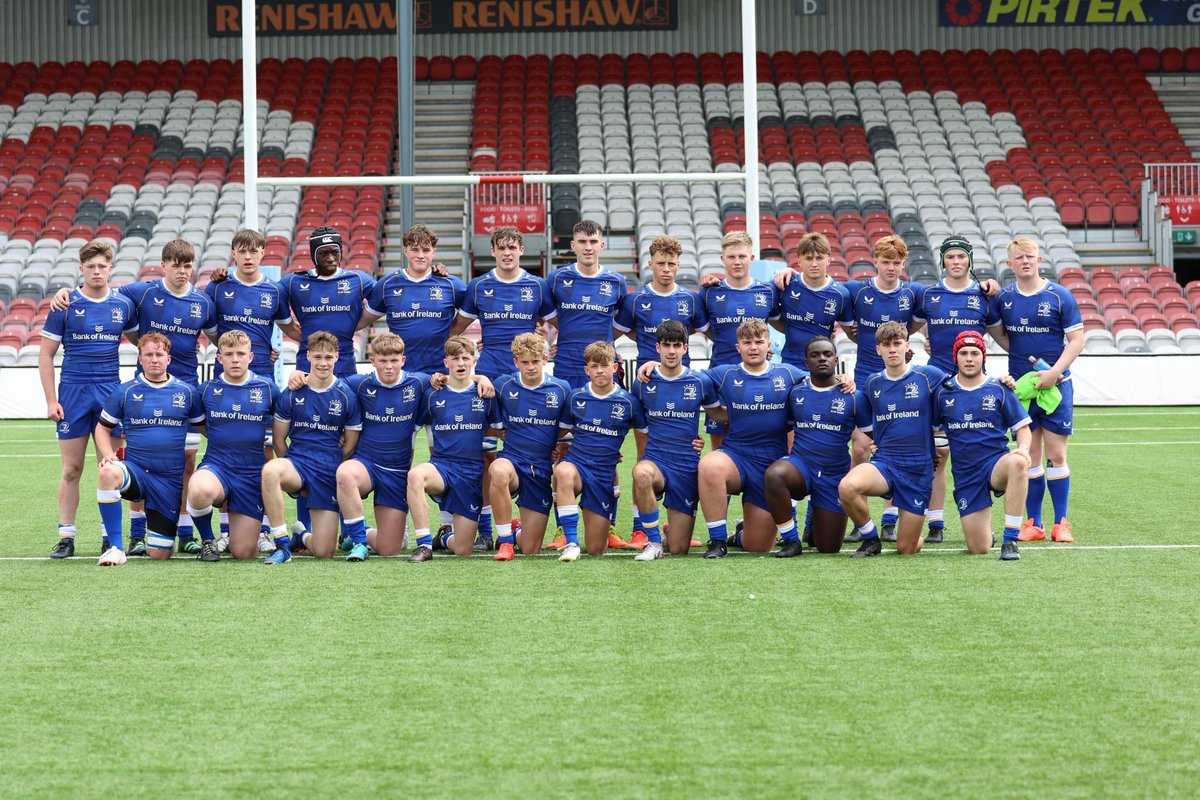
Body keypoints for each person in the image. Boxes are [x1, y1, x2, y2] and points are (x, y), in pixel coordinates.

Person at [53, 238, 216, 553]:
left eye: (187, 265)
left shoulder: (203, 301)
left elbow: (218, 338)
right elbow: (99, 291)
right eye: (175, 264)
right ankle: (137, 534)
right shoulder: (142, 292)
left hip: (186, 389)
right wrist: (65, 291)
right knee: (141, 460)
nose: (182, 271)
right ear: (163, 265)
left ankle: (185, 533)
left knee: (185, 463)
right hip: (145, 389)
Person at [453, 226, 556, 551]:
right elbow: (455, 329)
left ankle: (542, 523)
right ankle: (486, 528)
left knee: (540, 442)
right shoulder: (479, 285)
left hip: (527, 379)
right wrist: (463, 368)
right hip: (486, 379)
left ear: (521, 250)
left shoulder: (537, 286)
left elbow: (560, 324)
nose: (508, 253)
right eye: (502, 247)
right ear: (494, 251)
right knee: (484, 453)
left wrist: (550, 346)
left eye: (513, 247)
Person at [41, 240, 137, 558]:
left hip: (109, 391)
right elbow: (45, 354)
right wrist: (51, 400)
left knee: (109, 466)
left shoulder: (122, 305)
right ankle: (66, 536)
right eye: (90, 267)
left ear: (110, 269)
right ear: (81, 270)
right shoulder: (64, 305)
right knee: (71, 468)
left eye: (102, 266)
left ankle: (110, 537)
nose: (96, 271)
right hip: (73, 392)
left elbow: (145, 342)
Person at [988, 237, 1084, 543]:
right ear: (1010, 264)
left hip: (1056, 386)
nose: (1026, 261)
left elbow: (1077, 340)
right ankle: (1035, 523)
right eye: (1019, 258)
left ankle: (1061, 522)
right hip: (1022, 389)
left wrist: (1054, 373)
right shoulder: (1005, 299)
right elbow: (1001, 335)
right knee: (1028, 454)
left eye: (1030, 256)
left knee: (1056, 454)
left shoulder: (1060, 296)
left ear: (1039, 260)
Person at [615, 234, 709, 545]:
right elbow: (622, 330)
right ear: (650, 264)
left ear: (678, 265)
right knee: (644, 454)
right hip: (647, 385)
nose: (666, 269)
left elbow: (707, 331)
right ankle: (641, 527)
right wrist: (648, 363)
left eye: (671, 264)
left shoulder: (690, 299)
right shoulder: (636, 300)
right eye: (660, 263)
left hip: (680, 384)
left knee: (684, 445)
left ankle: (672, 525)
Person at [547, 220, 635, 548]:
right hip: (567, 372)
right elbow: (548, 316)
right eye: (581, 240)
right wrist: (570, 336)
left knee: (607, 449)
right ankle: (561, 527)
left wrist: (600, 354)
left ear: (602, 245)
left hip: (603, 373)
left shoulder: (615, 281)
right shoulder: (557, 279)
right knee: (565, 448)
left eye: (593, 241)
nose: (587, 246)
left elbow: (622, 323)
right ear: (572, 245)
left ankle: (609, 525)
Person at [911, 236, 1002, 543]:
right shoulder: (929, 295)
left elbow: (1002, 335)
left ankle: (982, 518)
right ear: (943, 261)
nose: (956, 262)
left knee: (976, 453)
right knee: (937, 453)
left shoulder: (983, 294)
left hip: (975, 386)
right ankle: (936, 522)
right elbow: (904, 328)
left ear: (969, 261)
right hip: (939, 382)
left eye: (961, 257)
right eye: (950, 257)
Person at [695, 319, 806, 558]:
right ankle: (717, 541)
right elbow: (687, 378)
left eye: (758, 341)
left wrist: (843, 379)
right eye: (747, 342)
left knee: (757, 546)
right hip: (736, 456)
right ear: (738, 347)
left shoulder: (789, 373)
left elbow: (821, 380)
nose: (753, 347)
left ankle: (740, 534)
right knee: (709, 464)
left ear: (769, 345)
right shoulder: (725, 374)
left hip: (771, 466)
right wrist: (653, 364)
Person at [92, 333, 205, 565]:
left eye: (159, 354)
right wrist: (109, 455)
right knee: (107, 472)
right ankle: (116, 547)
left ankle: (163, 536)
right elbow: (102, 429)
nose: (154, 359)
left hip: (169, 480)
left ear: (168, 359)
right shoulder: (125, 392)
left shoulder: (187, 393)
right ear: (140, 359)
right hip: (137, 472)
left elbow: (207, 429)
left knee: (160, 554)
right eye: (149, 355)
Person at [838, 321, 947, 557]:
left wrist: (1002, 382)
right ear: (878, 349)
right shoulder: (872, 382)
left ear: (907, 346)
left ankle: (913, 533)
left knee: (906, 549)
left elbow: (962, 389)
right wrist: (877, 440)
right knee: (847, 487)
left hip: (918, 469)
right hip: (886, 462)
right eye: (886, 345)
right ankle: (870, 538)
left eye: (897, 344)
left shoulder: (929, 376)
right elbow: (867, 423)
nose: (892, 349)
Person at [841, 235, 922, 542]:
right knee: (860, 447)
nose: (891, 268)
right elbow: (851, 329)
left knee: (896, 448)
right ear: (874, 261)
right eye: (886, 262)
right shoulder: (856, 291)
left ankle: (889, 518)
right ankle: (859, 517)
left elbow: (906, 331)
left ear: (904, 264)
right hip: (864, 377)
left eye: (897, 263)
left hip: (898, 380)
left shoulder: (912, 294)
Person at [261, 331, 362, 564]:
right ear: (308, 357)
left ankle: (301, 535)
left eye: (328, 357)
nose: (323, 363)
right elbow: (278, 441)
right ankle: (282, 545)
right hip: (298, 463)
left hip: (328, 471)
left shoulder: (347, 395)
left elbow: (349, 448)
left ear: (337, 357)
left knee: (323, 551)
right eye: (317, 357)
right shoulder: (292, 393)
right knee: (271, 471)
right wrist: (296, 478)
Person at [764, 336, 869, 557]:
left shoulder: (854, 397)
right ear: (806, 363)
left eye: (827, 354)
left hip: (833, 474)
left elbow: (874, 434)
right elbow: (776, 425)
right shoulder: (795, 393)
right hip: (801, 466)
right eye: (815, 355)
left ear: (836, 359)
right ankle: (791, 541)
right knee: (775, 474)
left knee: (828, 548)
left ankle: (815, 525)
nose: (822, 358)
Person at [933, 331, 1033, 561]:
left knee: (1018, 462)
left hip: (995, 463)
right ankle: (989, 535)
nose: (969, 358)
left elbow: (1023, 428)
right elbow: (931, 429)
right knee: (979, 548)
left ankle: (1010, 540)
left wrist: (1024, 451)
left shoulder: (999, 388)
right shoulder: (942, 392)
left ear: (983, 357)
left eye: (975, 353)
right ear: (955, 357)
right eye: (964, 353)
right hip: (966, 474)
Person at [334, 333, 431, 561]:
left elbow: (453, 379)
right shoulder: (358, 384)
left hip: (397, 472)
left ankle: (357, 533)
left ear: (403, 360)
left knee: (389, 550)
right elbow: (326, 385)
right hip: (366, 463)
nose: (389, 367)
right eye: (383, 361)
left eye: (394, 360)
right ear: (373, 360)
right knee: (345, 473)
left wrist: (481, 379)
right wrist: (300, 375)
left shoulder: (418, 382)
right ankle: (359, 543)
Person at [407, 336, 502, 562]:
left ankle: (445, 537)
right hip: (442, 467)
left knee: (462, 549)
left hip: (471, 473)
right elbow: (413, 429)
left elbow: (502, 431)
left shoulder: (486, 394)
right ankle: (424, 545)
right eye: (455, 358)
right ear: (446, 362)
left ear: (473, 361)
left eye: (465, 358)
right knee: (415, 476)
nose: (460, 363)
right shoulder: (432, 393)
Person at [185, 330, 278, 561]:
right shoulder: (205, 390)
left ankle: (248, 533)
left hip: (251, 474)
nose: (235, 359)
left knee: (243, 552)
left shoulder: (267, 387)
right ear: (219, 358)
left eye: (240, 353)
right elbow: (202, 426)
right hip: (218, 467)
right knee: (198, 489)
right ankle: (208, 540)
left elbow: (286, 423)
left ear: (251, 357)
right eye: (229, 354)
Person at [629, 321, 717, 561]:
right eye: (666, 345)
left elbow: (722, 416)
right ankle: (654, 542)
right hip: (656, 460)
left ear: (685, 349)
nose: (671, 351)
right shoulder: (643, 381)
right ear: (657, 347)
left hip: (686, 465)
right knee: (641, 473)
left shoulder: (701, 382)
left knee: (679, 549)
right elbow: (633, 419)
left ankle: (669, 534)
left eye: (676, 345)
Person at [553, 341, 646, 562]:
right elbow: (558, 431)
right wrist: (550, 448)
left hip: (603, 475)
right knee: (563, 472)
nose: (600, 371)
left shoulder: (629, 402)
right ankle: (572, 543)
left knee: (596, 549)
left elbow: (646, 438)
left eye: (605, 365)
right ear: (587, 370)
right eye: (594, 366)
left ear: (614, 367)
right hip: (577, 466)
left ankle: (596, 533)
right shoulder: (576, 397)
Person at [488, 333, 572, 561]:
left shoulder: (562, 389)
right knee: (498, 469)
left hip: (540, 469)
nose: (531, 367)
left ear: (545, 359)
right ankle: (505, 542)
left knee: (530, 548)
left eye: (535, 361)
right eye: (524, 362)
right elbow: (491, 419)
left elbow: (565, 428)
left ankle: (515, 531)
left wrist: (551, 443)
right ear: (516, 362)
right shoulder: (503, 385)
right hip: (512, 461)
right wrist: (480, 379)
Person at [698, 231, 780, 449]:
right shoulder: (709, 293)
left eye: (742, 256)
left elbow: (782, 325)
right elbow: (707, 329)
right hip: (721, 377)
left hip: (759, 379)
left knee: (762, 440)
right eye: (731, 257)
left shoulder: (767, 291)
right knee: (719, 448)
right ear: (722, 259)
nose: (737, 262)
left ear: (751, 258)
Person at [359, 224, 466, 376]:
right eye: (415, 249)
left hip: (440, 373)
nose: (420, 255)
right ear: (405, 251)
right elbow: (361, 321)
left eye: (426, 250)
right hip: (400, 374)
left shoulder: (452, 285)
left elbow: (477, 310)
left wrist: (485, 341)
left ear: (434, 252)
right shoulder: (387, 284)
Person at [278, 226, 375, 379]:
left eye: (334, 252)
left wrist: (353, 324)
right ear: (313, 255)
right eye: (323, 253)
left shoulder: (359, 280)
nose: (330, 258)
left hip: (344, 366)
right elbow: (269, 300)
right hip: (307, 366)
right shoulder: (292, 282)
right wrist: (304, 337)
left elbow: (384, 300)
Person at [204, 228, 296, 380]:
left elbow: (291, 329)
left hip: (262, 368)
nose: (248, 257)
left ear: (262, 253)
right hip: (225, 370)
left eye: (253, 251)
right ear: (234, 254)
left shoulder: (276, 290)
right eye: (242, 251)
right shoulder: (216, 287)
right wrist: (229, 348)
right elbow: (208, 328)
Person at [772, 232, 853, 370]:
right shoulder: (785, 284)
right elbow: (773, 318)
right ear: (799, 261)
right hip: (789, 365)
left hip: (822, 369)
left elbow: (852, 332)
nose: (814, 264)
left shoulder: (840, 295)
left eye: (819, 258)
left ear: (828, 260)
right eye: (809, 258)